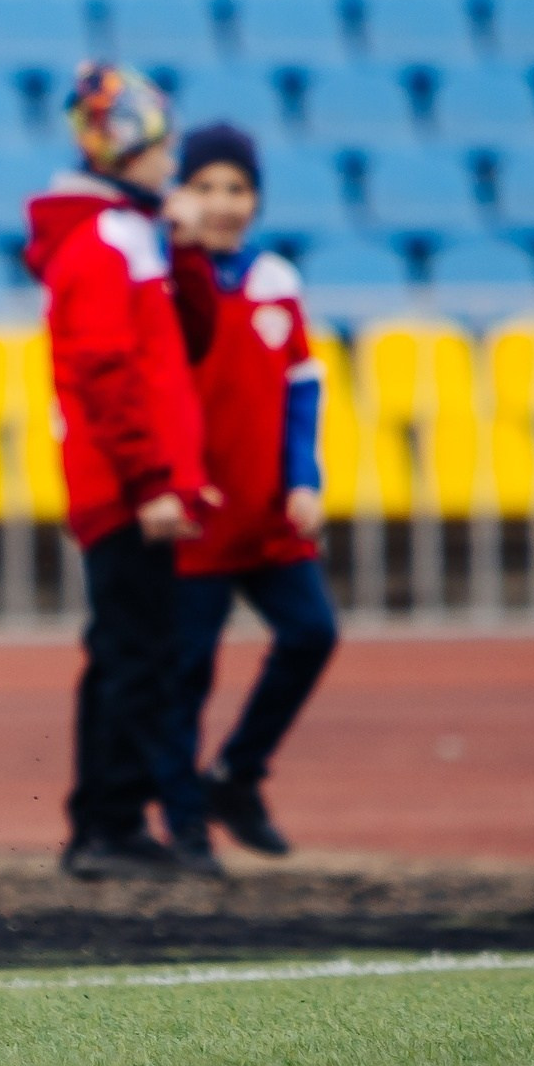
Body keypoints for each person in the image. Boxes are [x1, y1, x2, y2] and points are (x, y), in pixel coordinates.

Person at [24, 63, 220, 880]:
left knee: (138, 652)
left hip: (141, 484)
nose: (171, 151)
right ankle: (105, 827)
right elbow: (107, 373)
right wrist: (150, 482)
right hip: (124, 489)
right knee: (134, 656)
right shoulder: (104, 240)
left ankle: (113, 822)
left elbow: (190, 337)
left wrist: (187, 249)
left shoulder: (132, 233)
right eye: (157, 136)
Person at [164, 122, 338, 858]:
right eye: (206, 185)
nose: (223, 201)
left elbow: (301, 387)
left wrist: (304, 476)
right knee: (187, 671)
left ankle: (236, 772)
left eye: (237, 187)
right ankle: (182, 823)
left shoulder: (276, 281)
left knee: (312, 633)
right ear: (180, 194)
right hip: (196, 516)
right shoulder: (167, 279)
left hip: (266, 511)